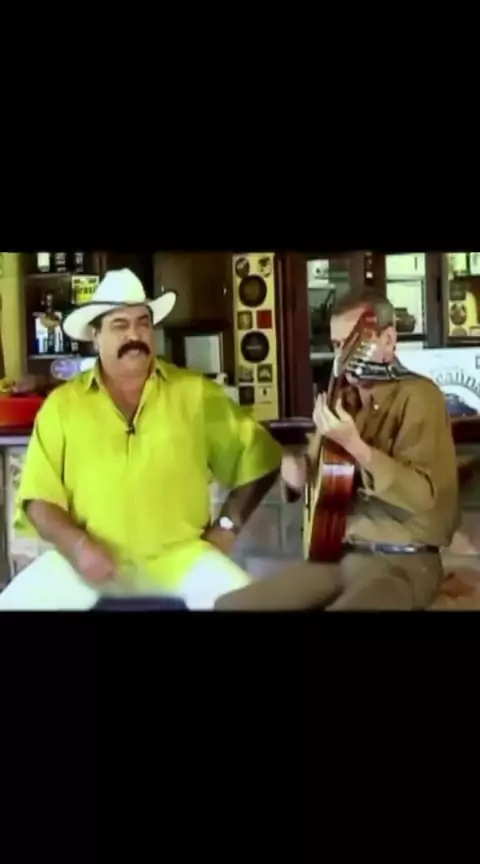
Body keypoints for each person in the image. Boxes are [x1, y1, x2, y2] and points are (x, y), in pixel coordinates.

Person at [4, 268, 283, 610]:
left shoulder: (195, 394)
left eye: (143, 323)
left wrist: (227, 526)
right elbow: (37, 500)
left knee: (252, 606)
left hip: (183, 560)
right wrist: (77, 546)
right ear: (96, 336)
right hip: (84, 564)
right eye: (120, 326)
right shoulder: (62, 406)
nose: (134, 335)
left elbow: (261, 458)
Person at [215, 289, 460, 611]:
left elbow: (422, 496)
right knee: (231, 606)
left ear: (388, 339)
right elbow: (324, 476)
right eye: (336, 345)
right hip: (338, 557)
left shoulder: (419, 396)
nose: (343, 356)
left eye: (354, 343)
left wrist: (356, 447)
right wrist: (297, 475)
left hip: (404, 561)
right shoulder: (340, 400)